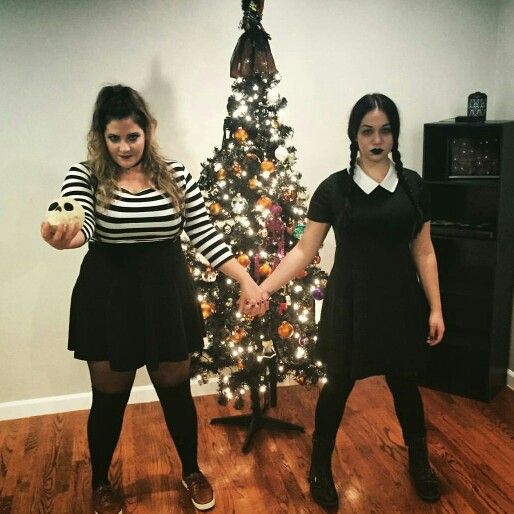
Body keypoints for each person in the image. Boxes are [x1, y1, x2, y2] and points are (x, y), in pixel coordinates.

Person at [41, 84, 267, 514]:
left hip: (166, 293)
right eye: (114, 138)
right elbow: (82, 224)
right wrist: (63, 239)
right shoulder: (85, 174)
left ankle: (191, 470)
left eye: (132, 136)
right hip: (109, 295)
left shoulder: (176, 174)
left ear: (147, 130)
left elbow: (204, 234)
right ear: (101, 136)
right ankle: (101, 482)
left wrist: (246, 280)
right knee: (109, 397)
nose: (124, 147)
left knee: (175, 390)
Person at [254, 93, 445, 507]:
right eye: (367, 131)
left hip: (400, 304)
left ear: (394, 134)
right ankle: (319, 467)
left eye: (385, 130)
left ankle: (419, 463)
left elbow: (424, 250)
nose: (377, 139)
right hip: (351, 304)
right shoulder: (334, 188)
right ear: (354, 136)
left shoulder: (413, 186)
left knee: (405, 384)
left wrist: (435, 307)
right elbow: (305, 250)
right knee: (337, 386)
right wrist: (264, 288)